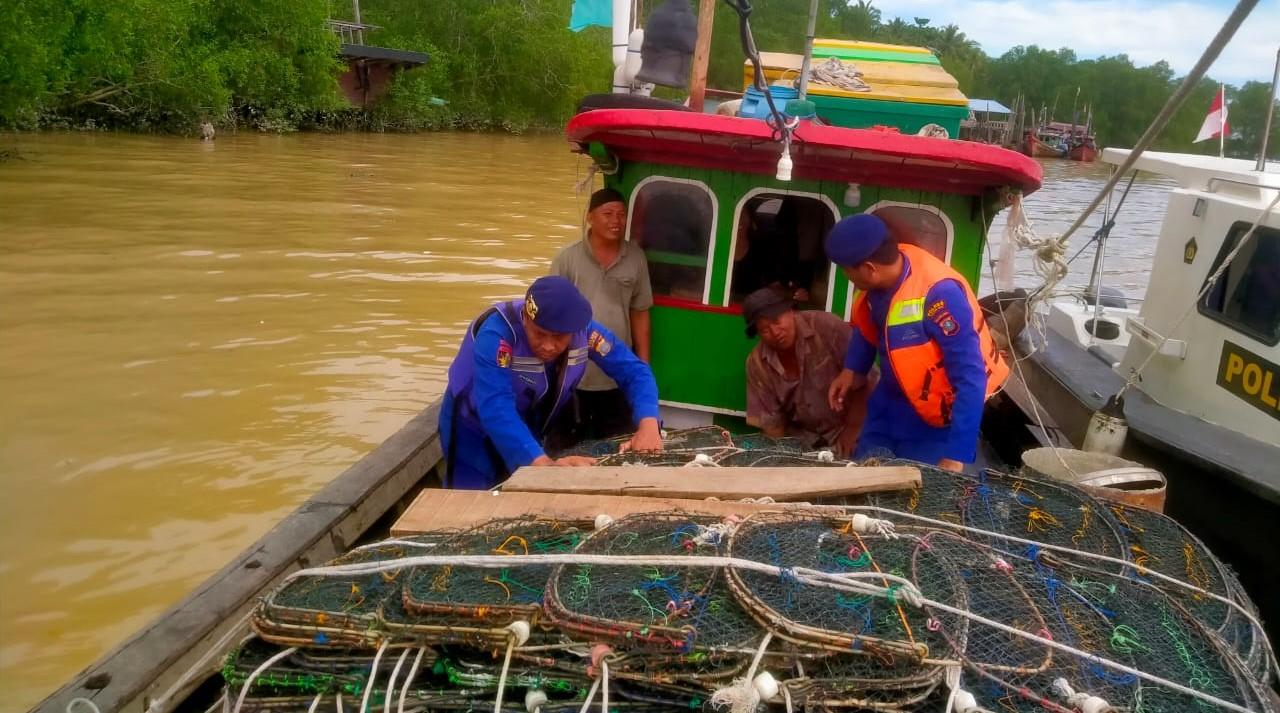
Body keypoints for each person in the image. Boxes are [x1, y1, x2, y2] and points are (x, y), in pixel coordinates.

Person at [441, 276, 663, 489]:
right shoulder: (496, 335)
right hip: (471, 426)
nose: (548, 346)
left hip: (529, 419)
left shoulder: (587, 333)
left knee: (521, 490)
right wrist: (543, 464)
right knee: (470, 495)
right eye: (540, 334)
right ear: (526, 318)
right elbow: (495, 407)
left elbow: (634, 372)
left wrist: (648, 423)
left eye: (559, 338)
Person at [825, 214, 1009, 471]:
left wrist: (956, 454)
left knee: (917, 492)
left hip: (934, 418)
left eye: (847, 271)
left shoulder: (941, 297)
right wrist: (852, 369)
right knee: (863, 473)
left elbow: (971, 376)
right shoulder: (876, 283)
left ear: (869, 268)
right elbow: (868, 325)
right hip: (887, 404)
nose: (847, 277)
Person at [551, 187, 654, 441]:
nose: (616, 221)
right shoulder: (567, 258)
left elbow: (640, 312)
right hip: (573, 373)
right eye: (607, 214)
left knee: (615, 444)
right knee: (564, 444)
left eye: (621, 214)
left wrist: (643, 364)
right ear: (590, 217)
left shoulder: (636, 258)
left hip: (616, 373)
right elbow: (549, 313)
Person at [742, 286, 874, 456]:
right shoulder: (756, 364)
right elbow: (772, 426)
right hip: (804, 441)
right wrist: (779, 457)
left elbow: (866, 379)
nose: (775, 332)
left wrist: (853, 429)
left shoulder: (827, 326)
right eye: (765, 330)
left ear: (791, 311)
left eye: (776, 321)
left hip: (856, 426)